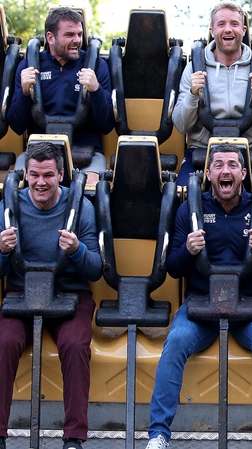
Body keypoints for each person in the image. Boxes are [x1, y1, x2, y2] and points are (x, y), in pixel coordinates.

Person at [145, 143, 252, 449]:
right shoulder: (190, 209)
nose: (226, 171)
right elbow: (172, 267)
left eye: (233, 165)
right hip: (202, 304)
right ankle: (158, 434)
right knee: (177, 340)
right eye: (218, 165)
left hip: (250, 305)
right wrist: (188, 250)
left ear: (244, 173)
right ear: (208, 173)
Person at [0, 142, 101, 449]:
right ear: (25, 176)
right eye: (34, 175)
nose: (40, 182)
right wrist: (2, 252)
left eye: (48, 175)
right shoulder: (9, 206)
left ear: (61, 175)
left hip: (70, 293)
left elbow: (95, 269)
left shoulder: (81, 207)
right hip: (21, 292)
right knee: (3, 341)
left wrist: (77, 251)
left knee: (74, 344)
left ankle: (73, 438)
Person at [172, 1, 252, 187]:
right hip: (203, 151)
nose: (228, 30)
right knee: (182, 193)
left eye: (234, 24)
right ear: (212, 31)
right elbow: (181, 125)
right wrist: (192, 95)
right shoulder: (193, 68)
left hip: (251, 151)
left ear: (244, 30)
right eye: (221, 24)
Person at [7, 7, 114, 186]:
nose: (77, 40)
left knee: (93, 187)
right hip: (38, 153)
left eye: (79, 34)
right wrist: (25, 93)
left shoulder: (97, 66)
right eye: (69, 35)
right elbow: (17, 126)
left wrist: (96, 91)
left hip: (85, 152)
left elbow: (107, 125)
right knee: (16, 185)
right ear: (50, 37)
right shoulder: (29, 66)